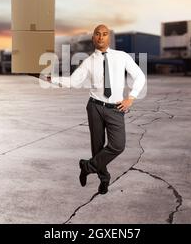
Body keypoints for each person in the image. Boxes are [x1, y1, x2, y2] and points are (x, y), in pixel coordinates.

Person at [50, 24, 146, 194]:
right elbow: (73, 82)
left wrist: (131, 97)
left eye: (104, 34)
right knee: (97, 146)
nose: (101, 37)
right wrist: (50, 78)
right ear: (93, 38)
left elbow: (139, 76)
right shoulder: (88, 62)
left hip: (115, 108)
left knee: (118, 146)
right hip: (95, 107)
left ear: (108, 37)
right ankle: (104, 178)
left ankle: (87, 166)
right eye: (97, 34)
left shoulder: (121, 56)